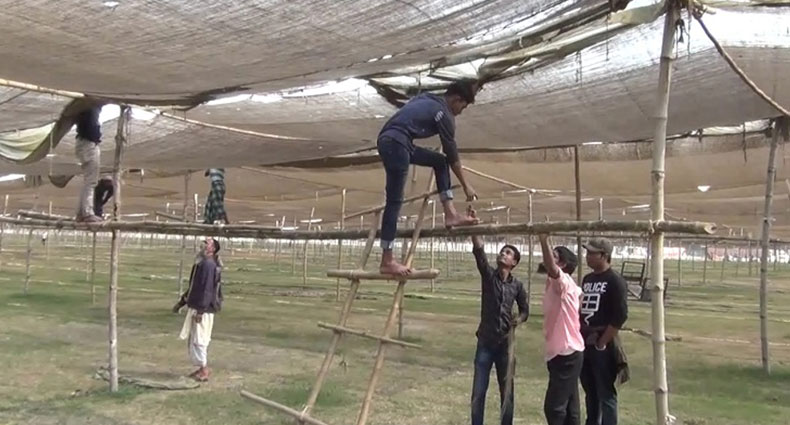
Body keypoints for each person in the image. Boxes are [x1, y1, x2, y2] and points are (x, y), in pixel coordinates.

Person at [377, 81, 480, 276]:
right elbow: (452, 155)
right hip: (397, 143)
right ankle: (387, 260)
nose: (460, 112)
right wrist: (467, 185)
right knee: (394, 201)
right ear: (456, 100)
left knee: (439, 162)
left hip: (395, 141)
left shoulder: (428, 98)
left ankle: (450, 214)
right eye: (463, 107)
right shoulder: (445, 114)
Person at [469, 208, 528, 425]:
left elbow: (525, 310)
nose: (504, 253)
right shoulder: (488, 276)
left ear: (514, 263)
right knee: (478, 392)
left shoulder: (517, 286)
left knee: (507, 393)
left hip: (505, 346)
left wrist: (518, 320)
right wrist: (474, 226)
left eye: (508, 253)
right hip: (485, 342)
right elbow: (479, 251)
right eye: (503, 251)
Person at [579, 238, 629, 425]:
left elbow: (620, 315)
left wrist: (603, 342)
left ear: (604, 255)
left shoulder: (615, 281)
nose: (587, 256)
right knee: (590, 391)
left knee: (606, 393)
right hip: (585, 341)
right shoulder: (587, 279)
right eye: (587, 252)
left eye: (592, 253)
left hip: (603, 343)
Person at [538, 234, 584, 425]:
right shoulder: (566, 286)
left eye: (554, 255)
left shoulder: (562, 282)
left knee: (554, 407)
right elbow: (579, 296)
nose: (549, 257)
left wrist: (544, 240)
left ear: (562, 264)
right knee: (571, 407)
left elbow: (552, 268)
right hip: (562, 352)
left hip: (566, 352)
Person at [172, 237, 223, 382]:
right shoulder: (202, 263)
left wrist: (201, 310)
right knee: (194, 338)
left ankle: (204, 369)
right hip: (198, 306)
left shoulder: (208, 265)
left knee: (200, 339)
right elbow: (194, 287)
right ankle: (201, 368)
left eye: (207, 243)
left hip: (204, 309)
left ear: (213, 249)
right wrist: (182, 302)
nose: (203, 244)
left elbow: (207, 289)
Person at [74, 105, 103, 222]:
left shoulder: (84, 109)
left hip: (84, 144)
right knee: (91, 181)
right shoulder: (90, 108)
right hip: (89, 144)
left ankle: (81, 213)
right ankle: (87, 213)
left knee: (88, 181)